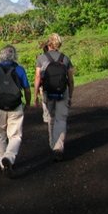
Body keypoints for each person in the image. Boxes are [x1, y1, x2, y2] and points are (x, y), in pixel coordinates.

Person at [0, 45, 31, 176]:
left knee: (0, 135)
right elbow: (27, 89)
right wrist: (28, 103)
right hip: (16, 105)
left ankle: (3, 164)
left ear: (0, 56)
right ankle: (9, 157)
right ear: (14, 56)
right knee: (15, 135)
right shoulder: (19, 69)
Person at [33, 33, 75, 161]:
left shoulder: (41, 58)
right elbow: (71, 80)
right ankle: (58, 147)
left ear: (48, 43)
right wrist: (70, 95)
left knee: (51, 119)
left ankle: (53, 145)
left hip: (47, 92)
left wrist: (35, 95)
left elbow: (38, 77)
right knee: (61, 119)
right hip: (63, 92)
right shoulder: (65, 58)